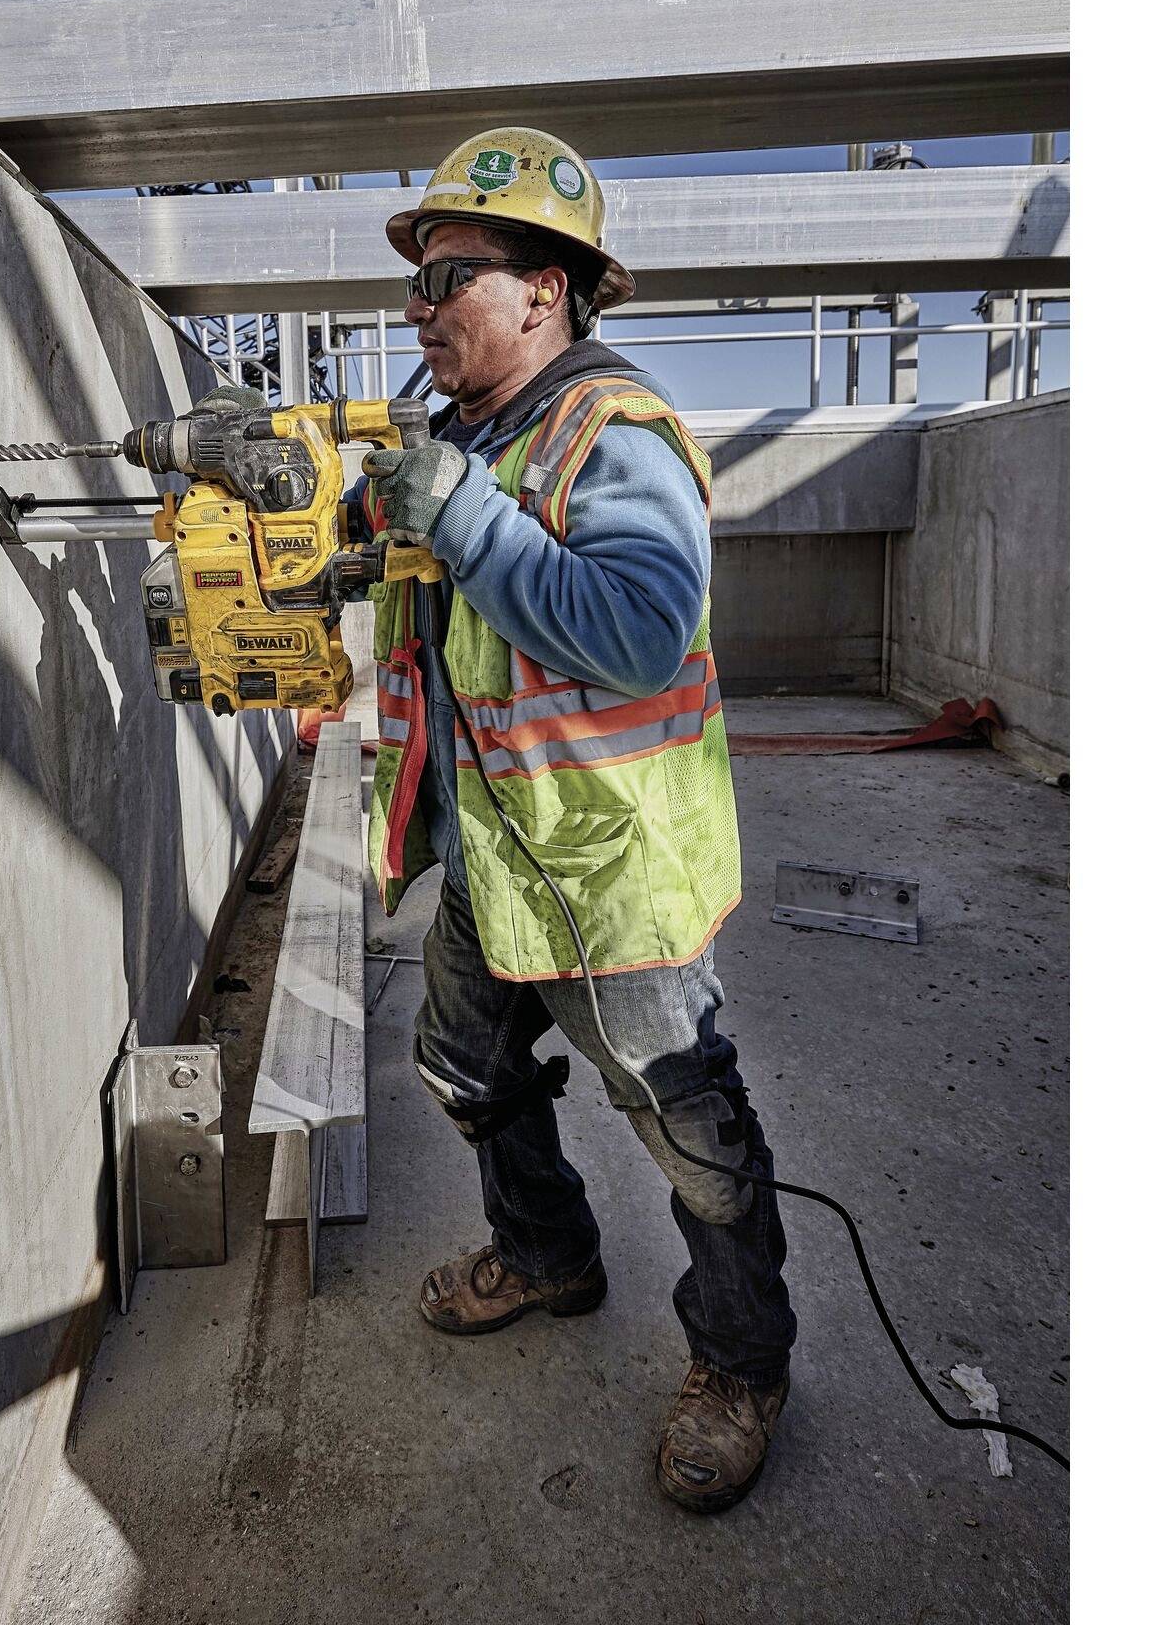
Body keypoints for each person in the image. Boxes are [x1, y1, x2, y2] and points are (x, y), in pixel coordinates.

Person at [352, 127, 798, 1514]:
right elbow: (447, 633)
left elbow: (638, 631)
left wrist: (463, 520)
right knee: (463, 1064)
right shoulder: (463, 440)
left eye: (451, 281)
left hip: (612, 876)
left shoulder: (620, 435)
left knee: (692, 1134)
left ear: (546, 288)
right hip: (499, 857)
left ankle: (742, 1363)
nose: (420, 312)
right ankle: (548, 1253)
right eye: (416, 289)